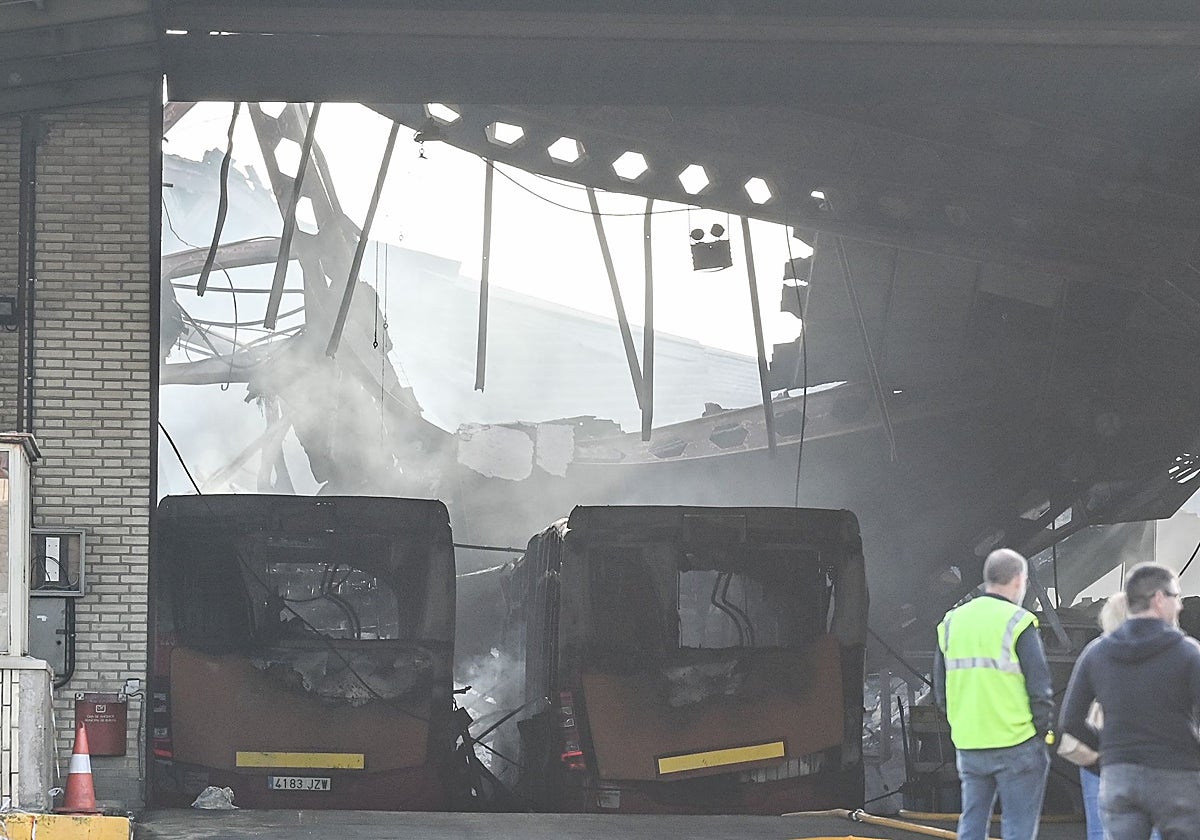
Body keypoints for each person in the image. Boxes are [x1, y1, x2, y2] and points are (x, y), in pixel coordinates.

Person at [1059, 562, 1200, 840]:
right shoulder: (1188, 653)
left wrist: (1112, 753)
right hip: (1175, 776)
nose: (1180, 605)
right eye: (1176, 597)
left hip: (1119, 776)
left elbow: (1070, 722)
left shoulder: (1095, 653)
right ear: (1159, 598)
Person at [934, 548, 1054, 840]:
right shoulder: (1018, 622)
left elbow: (940, 691)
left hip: (970, 744)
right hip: (1017, 743)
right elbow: (1040, 688)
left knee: (972, 822)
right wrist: (1042, 732)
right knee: (1017, 827)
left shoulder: (951, 622)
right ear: (1018, 580)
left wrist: (960, 725)